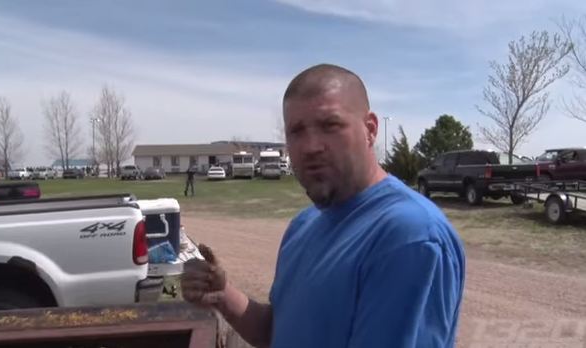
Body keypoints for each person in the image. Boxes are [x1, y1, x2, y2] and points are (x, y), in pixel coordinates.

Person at [182, 64, 466, 347]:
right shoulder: (303, 226)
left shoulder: (409, 236)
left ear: (370, 130)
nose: (311, 146)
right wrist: (223, 294)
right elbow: (277, 334)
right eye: (297, 131)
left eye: (330, 125)